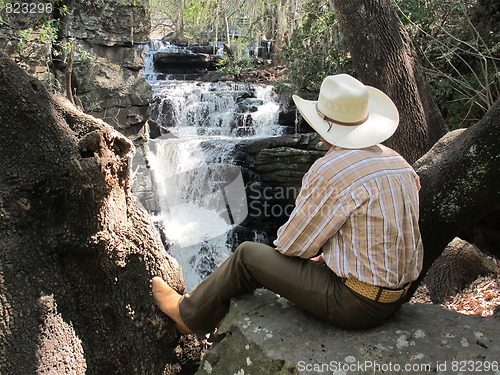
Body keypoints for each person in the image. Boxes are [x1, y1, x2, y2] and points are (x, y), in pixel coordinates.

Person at [152, 74, 423, 337]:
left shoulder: (331, 169)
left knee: (247, 256)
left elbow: (292, 246)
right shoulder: (398, 161)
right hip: (396, 296)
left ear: (325, 123)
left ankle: (189, 315)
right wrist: (329, 258)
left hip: (356, 305)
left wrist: (309, 255)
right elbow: (378, 228)